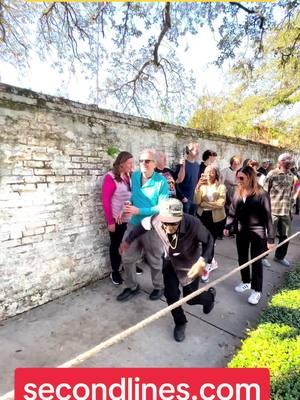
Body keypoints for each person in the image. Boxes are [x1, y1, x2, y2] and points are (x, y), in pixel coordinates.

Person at [120, 198, 216, 342]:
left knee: (191, 299)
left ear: (180, 218)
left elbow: (209, 241)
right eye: (164, 222)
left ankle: (209, 297)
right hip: (170, 262)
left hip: (190, 263)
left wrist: (202, 261)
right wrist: (127, 241)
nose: (167, 226)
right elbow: (141, 226)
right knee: (171, 297)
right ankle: (180, 322)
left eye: (172, 222)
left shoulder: (193, 224)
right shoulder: (155, 219)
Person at [116, 148, 169, 302]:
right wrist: (127, 204)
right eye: (141, 161)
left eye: (147, 161)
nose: (143, 163)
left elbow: (162, 207)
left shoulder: (161, 182)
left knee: (154, 259)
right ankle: (132, 286)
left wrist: (139, 210)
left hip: (151, 227)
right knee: (126, 256)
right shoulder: (136, 176)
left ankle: (159, 287)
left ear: (155, 164)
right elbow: (134, 196)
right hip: (134, 225)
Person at [224, 166, 274, 305]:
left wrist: (270, 239)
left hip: (258, 231)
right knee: (242, 257)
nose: (238, 180)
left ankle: (256, 290)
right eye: (237, 177)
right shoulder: (238, 191)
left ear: (250, 177)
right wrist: (228, 225)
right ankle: (246, 281)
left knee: (256, 261)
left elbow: (268, 217)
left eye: (241, 178)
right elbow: (232, 211)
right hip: (241, 230)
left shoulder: (262, 194)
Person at [101, 151, 133, 285]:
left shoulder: (129, 175)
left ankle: (128, 266)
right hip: (116, 220)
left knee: (129, 244)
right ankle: (115, 271)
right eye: (129, 163)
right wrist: (110, 222)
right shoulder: (110, 177)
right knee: (116, 245)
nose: (132, 166)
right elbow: (105, 200)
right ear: (121, 164)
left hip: (129, 217)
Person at [194, 165, 226, 281]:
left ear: (216, 174)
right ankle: (211, 261)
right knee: (204, 241)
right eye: (207, 172)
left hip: (216, 219)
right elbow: (197, 201)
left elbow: (220, 203)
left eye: (211, 172)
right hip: (202, 217)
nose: (208, 174)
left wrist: (205, 204)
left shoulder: (221, 187)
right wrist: (197, 187)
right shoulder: (202, 186)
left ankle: (207, 266)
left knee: (210, 242)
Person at [263, 153, 296, 267]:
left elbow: (290, 194)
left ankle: (279, 256)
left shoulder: (291, 176)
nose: (290, 161)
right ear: (280, 161)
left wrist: (291, 210)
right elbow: (264, 193)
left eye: (290, 160)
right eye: (287, 159)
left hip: (285, 211)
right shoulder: (272, 174)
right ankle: (263, 257)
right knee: (269, 236)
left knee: (286, 236)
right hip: (273, 210)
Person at [175, 142, 200, 215]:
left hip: (193, 200)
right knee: (183, 223)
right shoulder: (181, 165)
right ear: (189, 151)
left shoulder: (197, 165)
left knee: (191, 223)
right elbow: (175, 183)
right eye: (196, 149)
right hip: (184, 201)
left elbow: (196, 182)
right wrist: (182, 197)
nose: (198, 151)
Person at [221, 155, 242, 236]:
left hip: (237, 194)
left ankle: (234, 230)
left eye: (238, 163)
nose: (236, 165)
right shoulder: (225, 171)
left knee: (235, 212)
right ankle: (224, 229)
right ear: (231, 163)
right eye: (234, 163)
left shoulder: (240, 172)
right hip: (227, 194)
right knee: (227, 212)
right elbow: (221, 183)